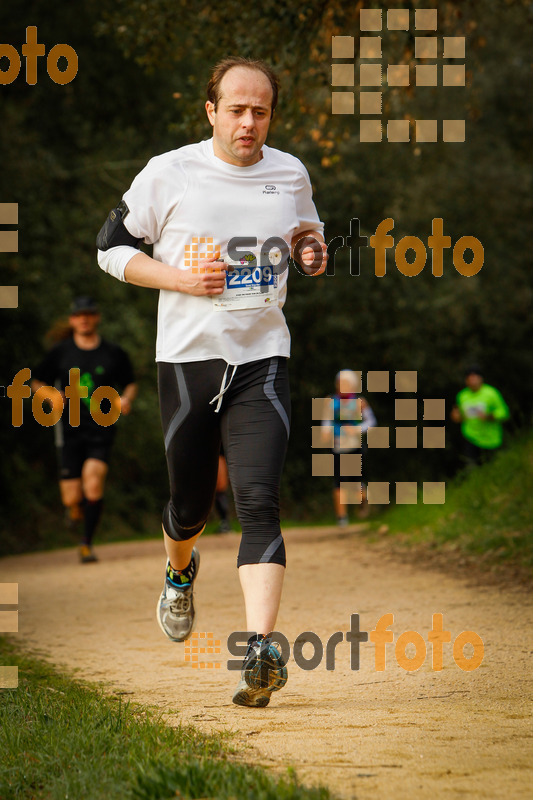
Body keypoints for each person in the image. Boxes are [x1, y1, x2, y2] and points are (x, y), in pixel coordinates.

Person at [96, 57, 327, 707]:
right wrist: (178, 278)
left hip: (262, 358)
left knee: (258, 500)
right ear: (211, 111)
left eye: (260, 111)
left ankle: (259, 650)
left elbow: (306, 227)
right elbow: (110, 246)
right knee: (189, 506)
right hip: (187, 361)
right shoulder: (169, 172)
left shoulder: (289, 172)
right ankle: (178, 572)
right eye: (236, 109)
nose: (248, 122)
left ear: (270, 115)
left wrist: (312, 247)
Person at [32, 296, 137, 563]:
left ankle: (86, 544)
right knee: (72, 497)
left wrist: (126, 399)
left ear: (96, 317)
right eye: (79, 315)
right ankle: (74, 510)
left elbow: (130, 382)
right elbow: (36, 380)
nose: (84, 319)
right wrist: (50, 395)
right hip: (69, 429)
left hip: (102, 427)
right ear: (72, 320)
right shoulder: (61, 351)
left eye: (89, 314)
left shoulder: (113, 352)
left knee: (93, 481)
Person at [322, 370, 376, 525]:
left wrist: (357, 430)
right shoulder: (330, 401)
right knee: (338, 481)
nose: (342, 386)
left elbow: (371, 422)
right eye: (340, 383)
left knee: (353, 482)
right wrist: (326, 433)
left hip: (355, 446)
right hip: (337, 446)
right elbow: (327, 420)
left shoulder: (360, 402)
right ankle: (342, 518)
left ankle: (362, 498)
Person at [451, 365, 510, 466]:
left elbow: (504, 413)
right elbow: (460, 416)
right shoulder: (462, 396)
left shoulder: (491, 393)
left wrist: (489, 417)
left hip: (491, 439)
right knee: (472, 469)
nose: (472, 380)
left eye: (475, 377)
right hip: (471, 437)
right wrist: (457, 417)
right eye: (469, 378)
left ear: (481, 379)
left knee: (495, 466)